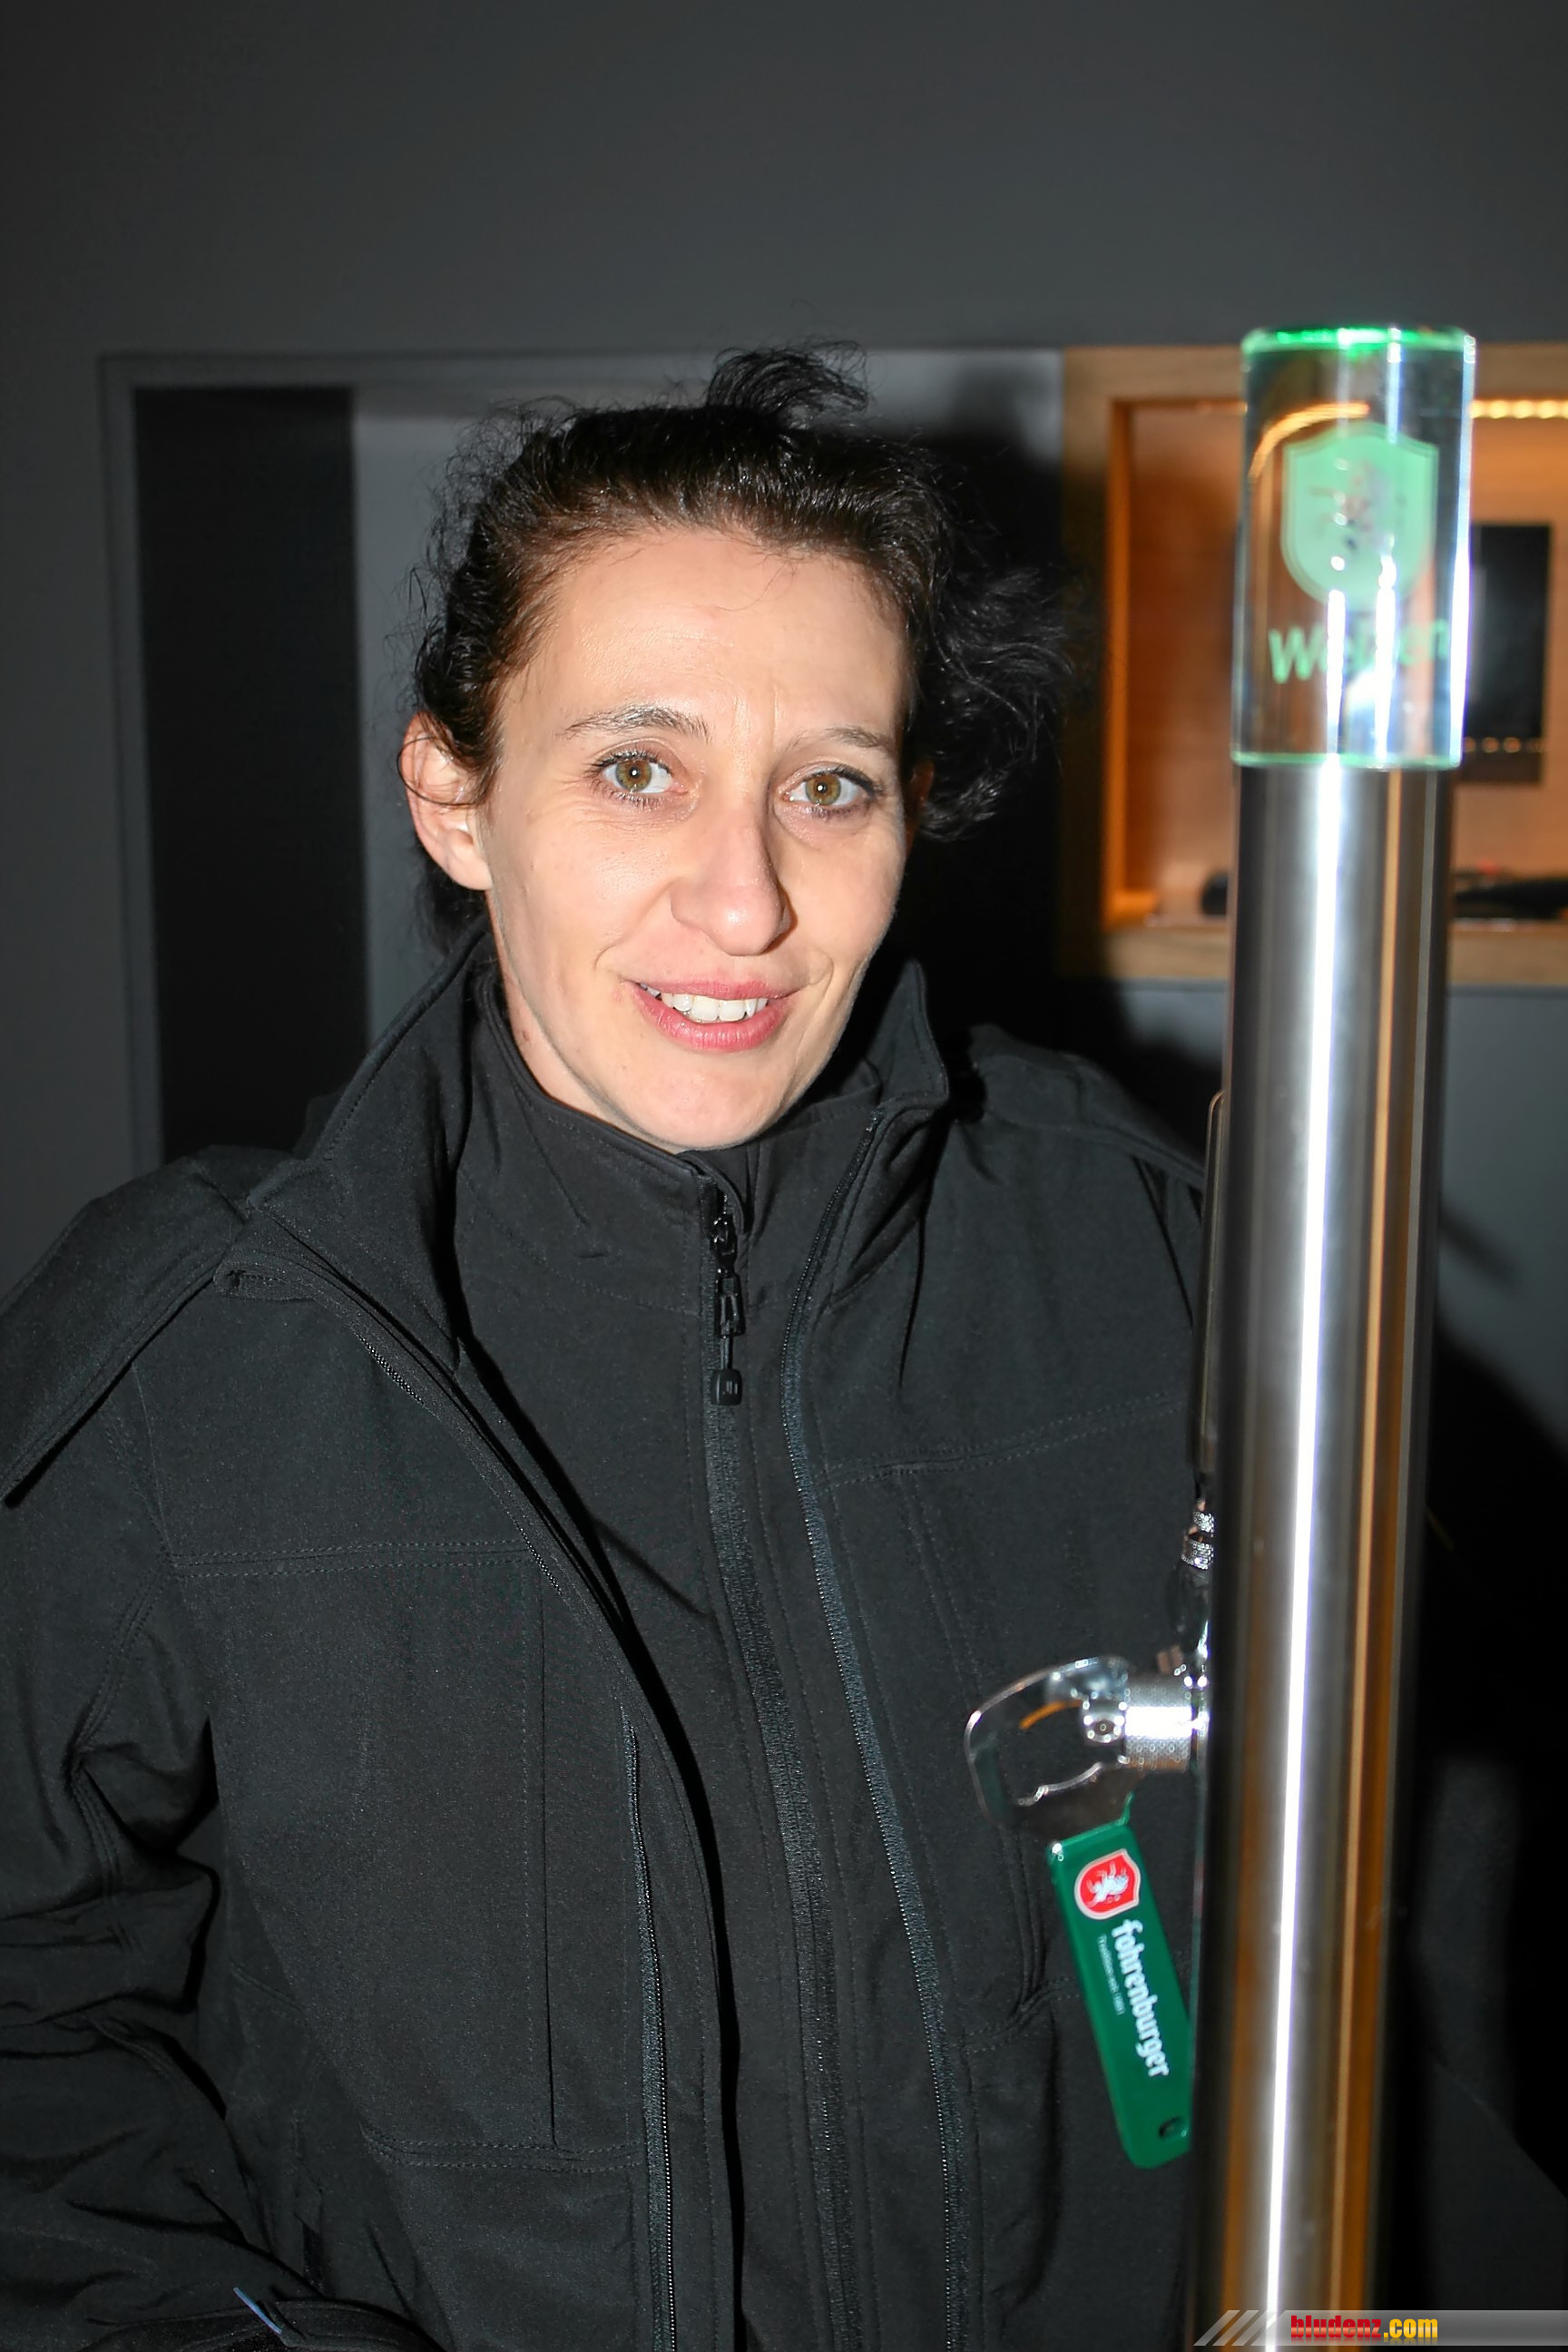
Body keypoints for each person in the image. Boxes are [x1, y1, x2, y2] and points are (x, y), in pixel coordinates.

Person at [0, 350, 1207, 2352]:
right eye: (639, 768)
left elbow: (1417, 1920)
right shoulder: (199, 1348)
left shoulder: (1148, 1253)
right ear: (457, 800)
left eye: (829, 785)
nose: (745, 903)